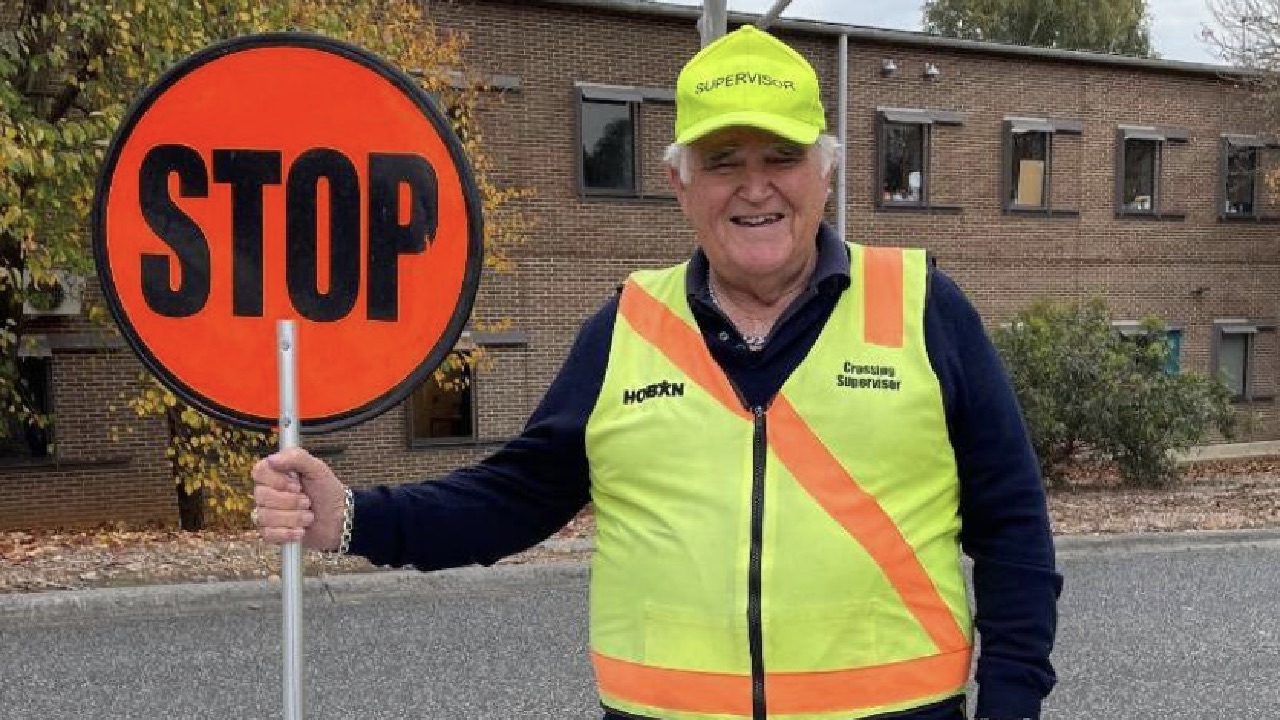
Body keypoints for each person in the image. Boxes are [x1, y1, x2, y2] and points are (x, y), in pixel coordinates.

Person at [252, 25, 1060, 720]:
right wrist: (352, 518)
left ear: (827, 171)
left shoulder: (923, 307)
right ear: (679, 183)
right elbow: (514, 497)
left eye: (782, 156)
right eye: (722, 160)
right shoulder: (629, 325)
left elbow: (1013, 525)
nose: (754, 186)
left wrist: (1013, 704)